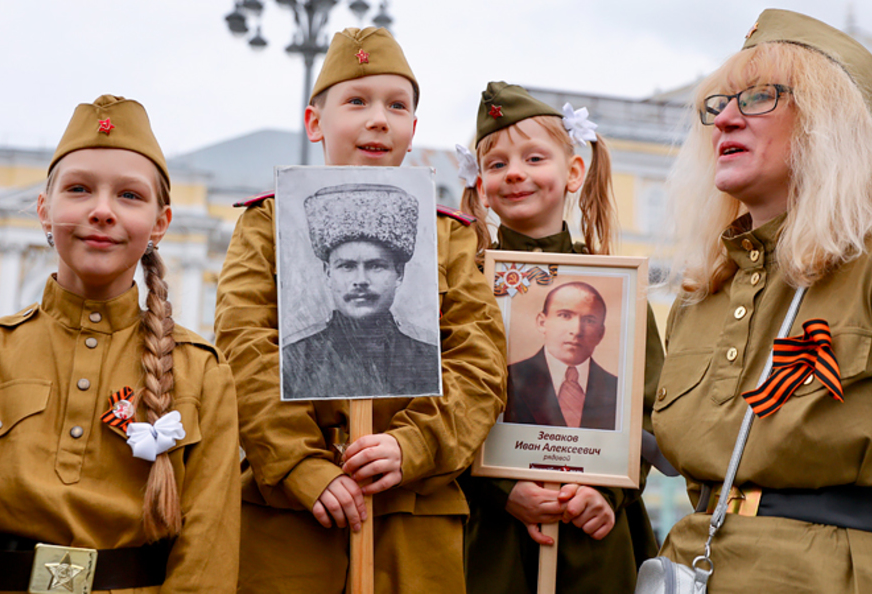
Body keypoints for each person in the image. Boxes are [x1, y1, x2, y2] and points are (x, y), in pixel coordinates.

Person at [653, 9, 872, 592]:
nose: (723, 119)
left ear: (829, 121)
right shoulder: (702, 292)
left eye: (757, 97)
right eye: (719, 103)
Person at [214, 27, 506, 594]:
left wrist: (413, 444)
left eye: (397, 106)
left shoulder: (449, 239)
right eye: (357, 101)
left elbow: (481, 362)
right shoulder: (265, 226)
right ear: (314, 122)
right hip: (289, 519)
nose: (379, 119)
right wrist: (300, 465)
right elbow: (241, 350)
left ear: (413, 130)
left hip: (413, 518)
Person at [0, 95, 240, 592]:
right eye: (80, 189)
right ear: (45, 211)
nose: (102, 211)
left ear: (160, 224)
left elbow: (206, 559)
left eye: (129, 196)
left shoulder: (202, 375)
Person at [457, 81, 664, 594]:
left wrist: (608, 494)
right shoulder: (459, 282)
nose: (516, 174)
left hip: (595, 536)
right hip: (492, 538)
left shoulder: (619, 285)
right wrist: (503, 490)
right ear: (480, 184)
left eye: (533, 157)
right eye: (498, 164)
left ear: (573, 172)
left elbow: (651, 407)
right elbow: (439, 401)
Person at [282, 183, 440, 399]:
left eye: (376, 266)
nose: (361, 281)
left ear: (399, 273)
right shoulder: (295, 360)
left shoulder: (429, 361)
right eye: (346, 266)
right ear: (328, 273)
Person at [505, 281, 618, 430]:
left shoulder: (618, 390)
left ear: (601, 333)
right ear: (542, 323)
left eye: (589, 321)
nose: (576, 330)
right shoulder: (508, 379)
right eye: (565, 315)